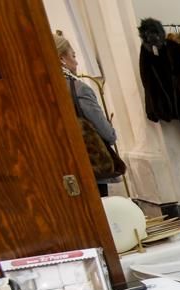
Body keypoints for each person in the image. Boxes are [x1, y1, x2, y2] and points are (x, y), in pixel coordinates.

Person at [54, 31, 119, 197]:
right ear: (62, 59)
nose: (76, 62)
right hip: (89, 167)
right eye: (73, 56)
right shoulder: (79, 89)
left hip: (58, 170)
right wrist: (110, 130)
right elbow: (107, 134)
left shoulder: (38, 90)